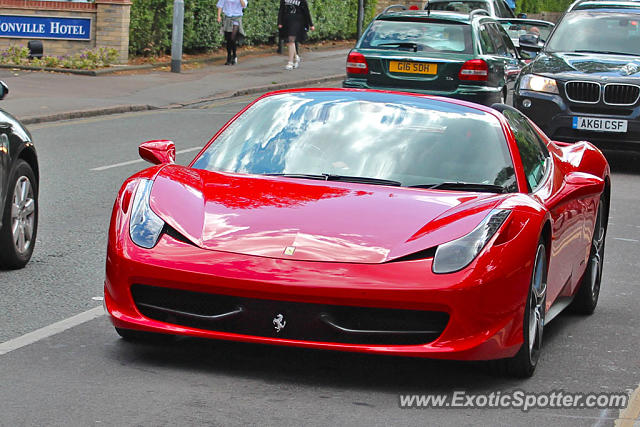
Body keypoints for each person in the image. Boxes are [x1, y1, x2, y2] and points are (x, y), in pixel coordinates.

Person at [278, 0, 315, 71]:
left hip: (298, 21)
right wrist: (279, 22)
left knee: (291, 40)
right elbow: (281, 10)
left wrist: (311, 24)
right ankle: (296, 57)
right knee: (289, 42)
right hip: (287, 21)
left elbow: (306, 11)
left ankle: (290, 62)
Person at [217, 0, 248, 66]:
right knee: (228, 39)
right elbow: (220, 5)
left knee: (232, 38)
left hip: (237, 18)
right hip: (228, 18)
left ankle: (234, 55)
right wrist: (218, 16)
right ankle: (229, 56)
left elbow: (244, 5)